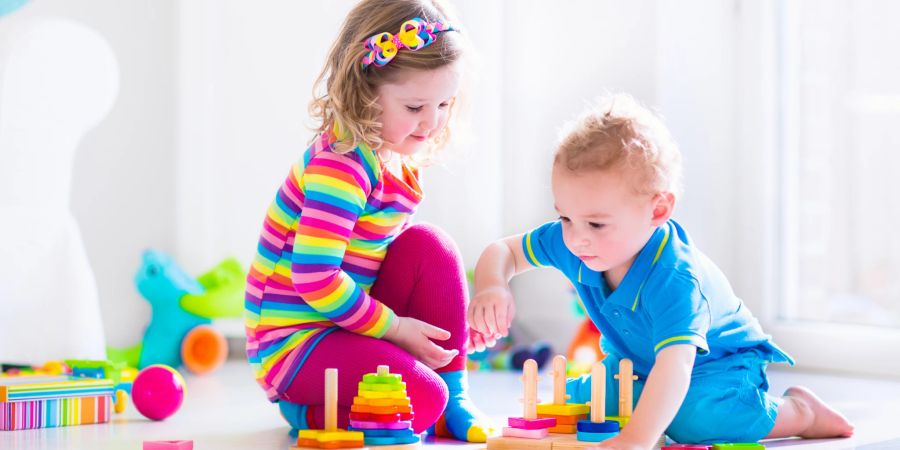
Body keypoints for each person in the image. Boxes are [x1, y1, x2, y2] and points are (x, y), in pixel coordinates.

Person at [467, 93, 854, 448]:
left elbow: (676, 365)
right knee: (579, 403)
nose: (576, 238)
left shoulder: (675, 278)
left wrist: (634, 441)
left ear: (657, 211)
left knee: (694, 420)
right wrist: (491, 287)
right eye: (565, 216)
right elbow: (503, 250)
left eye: (597, 224)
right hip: (638, 364)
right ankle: (644, 410)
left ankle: (798, 410)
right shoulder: (575, 239)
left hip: (715, 368)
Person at [244, 0, 491, 442]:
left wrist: (448, 320)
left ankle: (454, 394)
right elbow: (315, 278)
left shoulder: (393, 157)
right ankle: (306, 412)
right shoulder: (341, 165)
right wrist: (397, 329)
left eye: (444, 104)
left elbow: (400, 266)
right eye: (415, 106)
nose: (432, 122)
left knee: (430, 244)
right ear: (365, 91)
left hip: (348, 323)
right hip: (297, 346)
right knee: (420, 401)